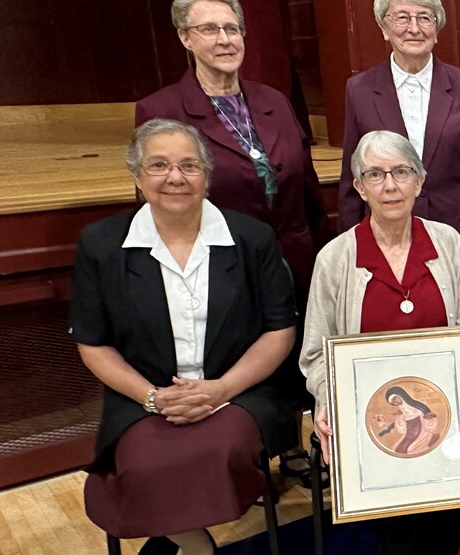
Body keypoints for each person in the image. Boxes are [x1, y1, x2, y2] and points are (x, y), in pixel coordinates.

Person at [70, 119, 297, 555]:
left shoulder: (252, 239)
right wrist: (153, 398)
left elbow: (278, 330)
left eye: (189, 165)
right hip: (146, 397)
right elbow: (94, 343)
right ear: (136, 175)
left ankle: (172, 536)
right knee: (140, 466)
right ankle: (196, 547)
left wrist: (220, 390)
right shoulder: (100, 245)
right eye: (158, 165)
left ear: (207, 176)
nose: (175, 177)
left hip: (238, 390)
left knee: (222, 452)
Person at [136, 0, 326, 479]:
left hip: (293, 250)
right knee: (245, 349)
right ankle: (251, 450)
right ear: (185, 37)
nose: (224, 39)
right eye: (209, 28)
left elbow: (303, 181)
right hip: (222, 261)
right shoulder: (162, 109)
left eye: (232, 27)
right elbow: (160, 201)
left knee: (295, 345)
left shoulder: (274, 101)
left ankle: (295, 445)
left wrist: (324, 252)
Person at [301, 130, 460, 555]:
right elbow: (316, 353)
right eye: (375, 174)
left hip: (441, 407)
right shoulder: (335, 258)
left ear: (419, 181)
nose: (389, 185)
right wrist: (330, 403)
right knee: (398, 517)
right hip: (369, 417)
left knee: (443, 510)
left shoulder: (448, 243)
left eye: (401, 172)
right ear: (358, 186)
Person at [339, 0, 460, 287]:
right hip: (389, 241)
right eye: (402, 17)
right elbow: (350, 180)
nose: (414, 28)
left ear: (437, 29)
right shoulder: (360, 91)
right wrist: (348, 252)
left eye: (425, 17)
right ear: (384, 27)